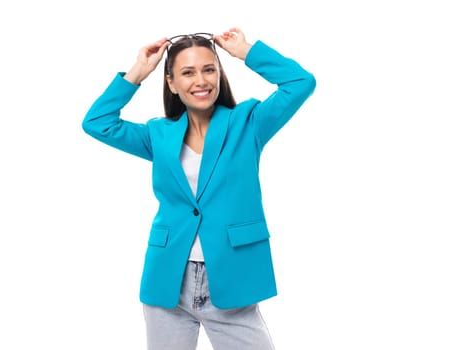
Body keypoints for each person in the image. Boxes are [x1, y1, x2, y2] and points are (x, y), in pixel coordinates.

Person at [82, 27, 316, 350]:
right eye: (187, 73)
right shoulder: (158, 135)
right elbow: (97, 122)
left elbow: (300, 83)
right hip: (168, 283)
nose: (201, 81)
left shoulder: (248, 123)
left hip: (232, 277)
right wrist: (138, 71)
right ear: (172, 84)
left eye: (209, 69)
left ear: (219, 74)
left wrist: (246, 51)